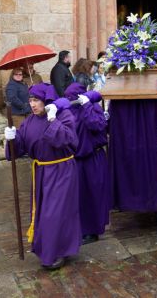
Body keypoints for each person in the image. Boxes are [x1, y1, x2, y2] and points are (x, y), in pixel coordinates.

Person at [4, 83, 81, 269]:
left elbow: (69, 141)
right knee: (42, 212)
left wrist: (53, 121)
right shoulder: (29, 121)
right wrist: (12, 138)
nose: (32, 104)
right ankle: (49, 247)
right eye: (30, 100)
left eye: (36, 100)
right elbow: (20, 147)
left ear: (46, 100)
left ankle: (54, 252)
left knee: (53, 213)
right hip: (41, 171)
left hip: (61, 170)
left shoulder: (64, 115)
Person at [64, 83, 109, 244]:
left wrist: (87, 107)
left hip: (93, 158)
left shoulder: (93, 108)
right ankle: (82, 228)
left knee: (94, 194)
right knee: (79, 196)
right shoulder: (68, 111)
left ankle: (93, 230)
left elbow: (97, 125)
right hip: (76, 160)